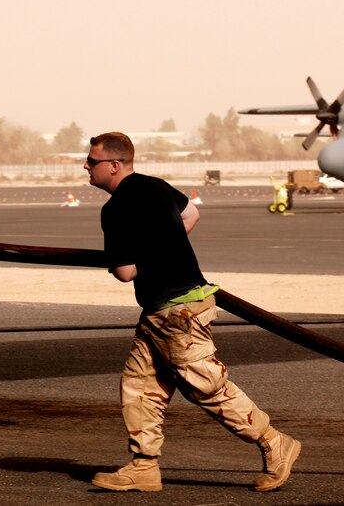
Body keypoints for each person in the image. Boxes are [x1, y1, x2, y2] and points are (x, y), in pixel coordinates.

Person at [84, 132, 300, 493]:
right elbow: (191, 214)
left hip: (176, 312)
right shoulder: (156, 186)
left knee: (208, 389)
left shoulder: (116, 208)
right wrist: (166, 246)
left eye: (92, 162)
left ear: (114, 166)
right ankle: (144, 466)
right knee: (140, 386)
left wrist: (145, 254)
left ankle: (274, 442)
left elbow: (125, 272)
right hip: (165, 310)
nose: (86, 167)